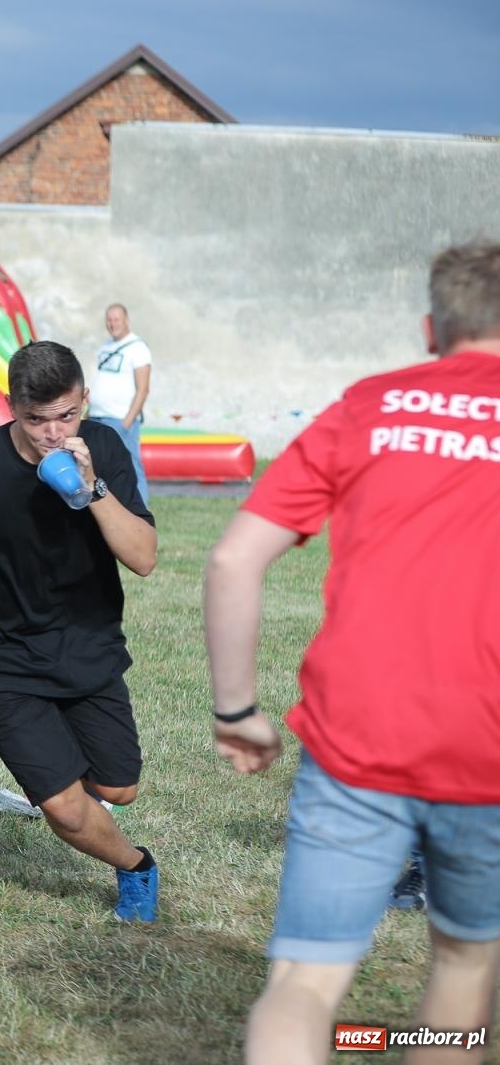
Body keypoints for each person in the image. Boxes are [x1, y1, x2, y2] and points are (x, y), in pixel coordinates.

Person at [203, 240, 500, 1063]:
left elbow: (233, 559)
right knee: (464, 967)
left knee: (303, 984)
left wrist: (237, 712)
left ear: (431, 327)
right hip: (490, 748)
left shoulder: (370, 405)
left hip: (358, 733)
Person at [0, 340, 160, 922]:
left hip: (86, 643)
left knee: (120, 788)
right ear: (11, 407)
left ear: (85, 402)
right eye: (37, 419)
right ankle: (136, 867)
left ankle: (51, 778)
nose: (54, 432)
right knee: (67, 810)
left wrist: (92, 486)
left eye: (67, 416)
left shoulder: (104, 446)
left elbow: (144, 558)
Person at [89, 304, 151, 504]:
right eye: (109, 319)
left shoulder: (137, 348)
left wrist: (127, 422)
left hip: (119, 418)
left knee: (130, 465)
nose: (112, 324)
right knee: (100, 466)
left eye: (116, 319)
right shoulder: (106, 346)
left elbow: (143, 388)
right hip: (97, 416)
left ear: (126, 321)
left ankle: (140, 509)